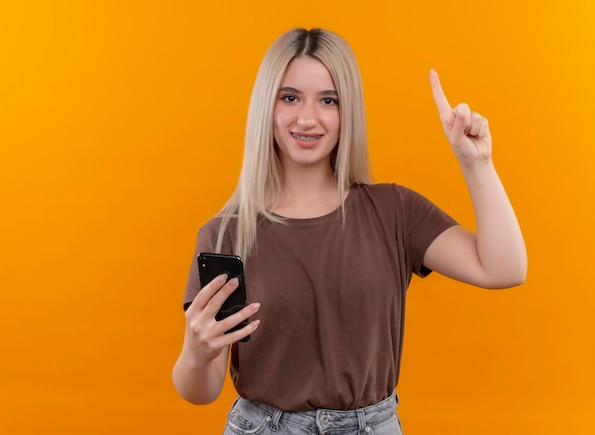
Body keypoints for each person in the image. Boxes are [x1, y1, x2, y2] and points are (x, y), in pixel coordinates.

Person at [172, 28, 527, 434]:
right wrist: (197, 353)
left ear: (348, 111)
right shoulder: (227, 234)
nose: (307, 118)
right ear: (266, 107)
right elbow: (200, 391)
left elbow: (505, 269)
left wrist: (476, 163)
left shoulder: (393, 211)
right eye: (290, 97)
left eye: (328, 100)